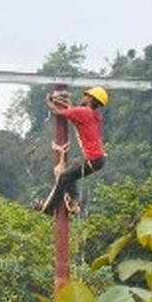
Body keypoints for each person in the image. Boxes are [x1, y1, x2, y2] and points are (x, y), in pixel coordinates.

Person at [35, 86, 109, 214]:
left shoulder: (84, 112)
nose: (83, 97)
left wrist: (48, 101)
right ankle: (73, 202)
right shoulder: (92, 114)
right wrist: (68, 105)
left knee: (64, 177)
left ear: (91, 99)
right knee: (69, 175)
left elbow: (58, 113)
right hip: (98, 159)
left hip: (93, 158)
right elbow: (75, 115)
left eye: (86, 96)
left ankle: (50, 208)